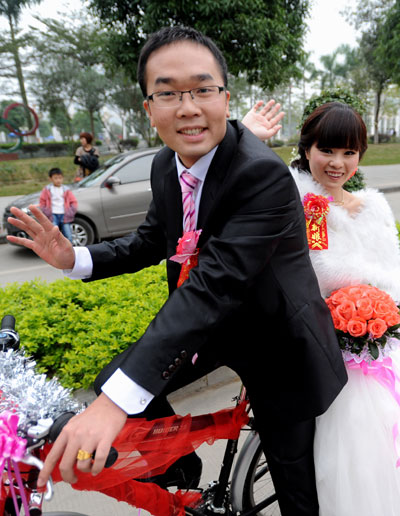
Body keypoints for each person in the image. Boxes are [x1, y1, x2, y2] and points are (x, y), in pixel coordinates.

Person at [7, 27, 347, 516]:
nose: (187, 107)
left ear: (225, 97)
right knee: (116, 379)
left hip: (277, 342)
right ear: (149, 108)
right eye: (167, 93)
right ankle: (181, 470)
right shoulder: (166, 164)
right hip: (214, 328)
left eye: (202, 89)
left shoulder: (262, 175)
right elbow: (153, 240)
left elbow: (213, 285)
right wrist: (75, 259)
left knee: (294, 483)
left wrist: (111, 409)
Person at [248, 100, 400, 515]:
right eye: (327, 151)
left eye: (349, 152)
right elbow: (318, 272)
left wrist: (383, 301)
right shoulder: (308, 206)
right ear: (307, 149)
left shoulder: (374, 207)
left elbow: (394, 270)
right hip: (332, 354)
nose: (337, 163)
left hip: (384, 348)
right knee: (356, 457)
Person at [39, 167, 77, 243]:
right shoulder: (47, 190)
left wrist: (70, 212)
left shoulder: (66, 190)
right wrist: (46, 211)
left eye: (60, 178)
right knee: (53, 235)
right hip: (53, 215)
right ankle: (55, 252)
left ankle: (70, 252)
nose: (58, 180)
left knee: (68, 235)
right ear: (51, 179)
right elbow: (42, 201)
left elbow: (74, 201)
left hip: (65, 215)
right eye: (55, 178)